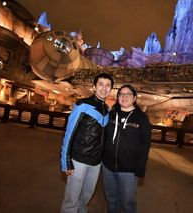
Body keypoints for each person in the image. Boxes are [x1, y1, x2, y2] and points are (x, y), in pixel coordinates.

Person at [60, 73, 114, 213]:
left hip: (96, 162)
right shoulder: (82, 105)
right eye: (101, 84)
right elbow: (69, 134)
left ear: (111, 89)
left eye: (108, 85)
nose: (104, 88)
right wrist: (66, 161)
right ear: (94, 87)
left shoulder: (106, 110)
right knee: (72, 198)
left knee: (86, 196)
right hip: (78, 160)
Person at [102, 84, 151, 213]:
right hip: (107, 166)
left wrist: (141, 168)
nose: (124, 97)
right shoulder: (112, 114)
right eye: (121, 94)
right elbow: (102, 134)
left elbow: (145, 144)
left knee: (127, 203)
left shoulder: (141, 118)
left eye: (128, 94)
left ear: (134, 98)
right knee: (111, 199)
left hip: (129, 170)